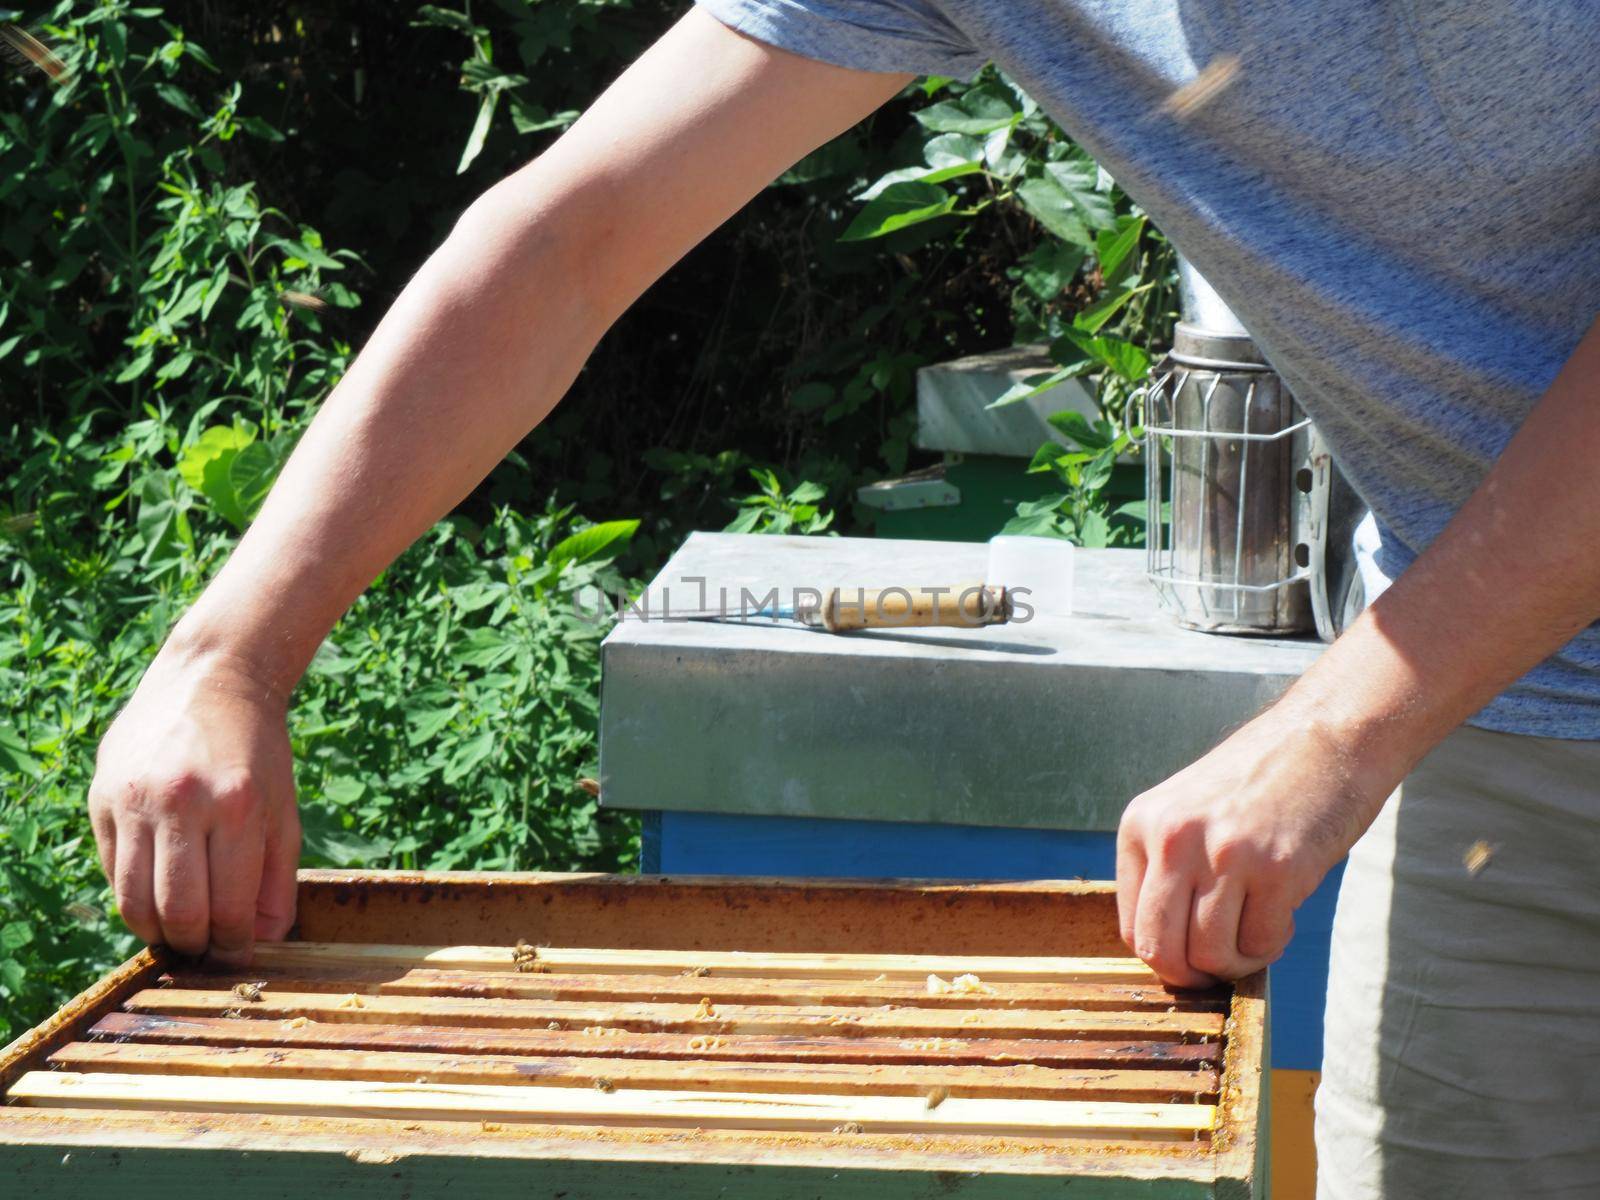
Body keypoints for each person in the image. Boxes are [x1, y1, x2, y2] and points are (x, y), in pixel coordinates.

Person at [87, 3, 1598, 1195]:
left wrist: (1335, 726)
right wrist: (230, 652)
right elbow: (567, 239)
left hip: (1429, 694)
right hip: (1502, 734)